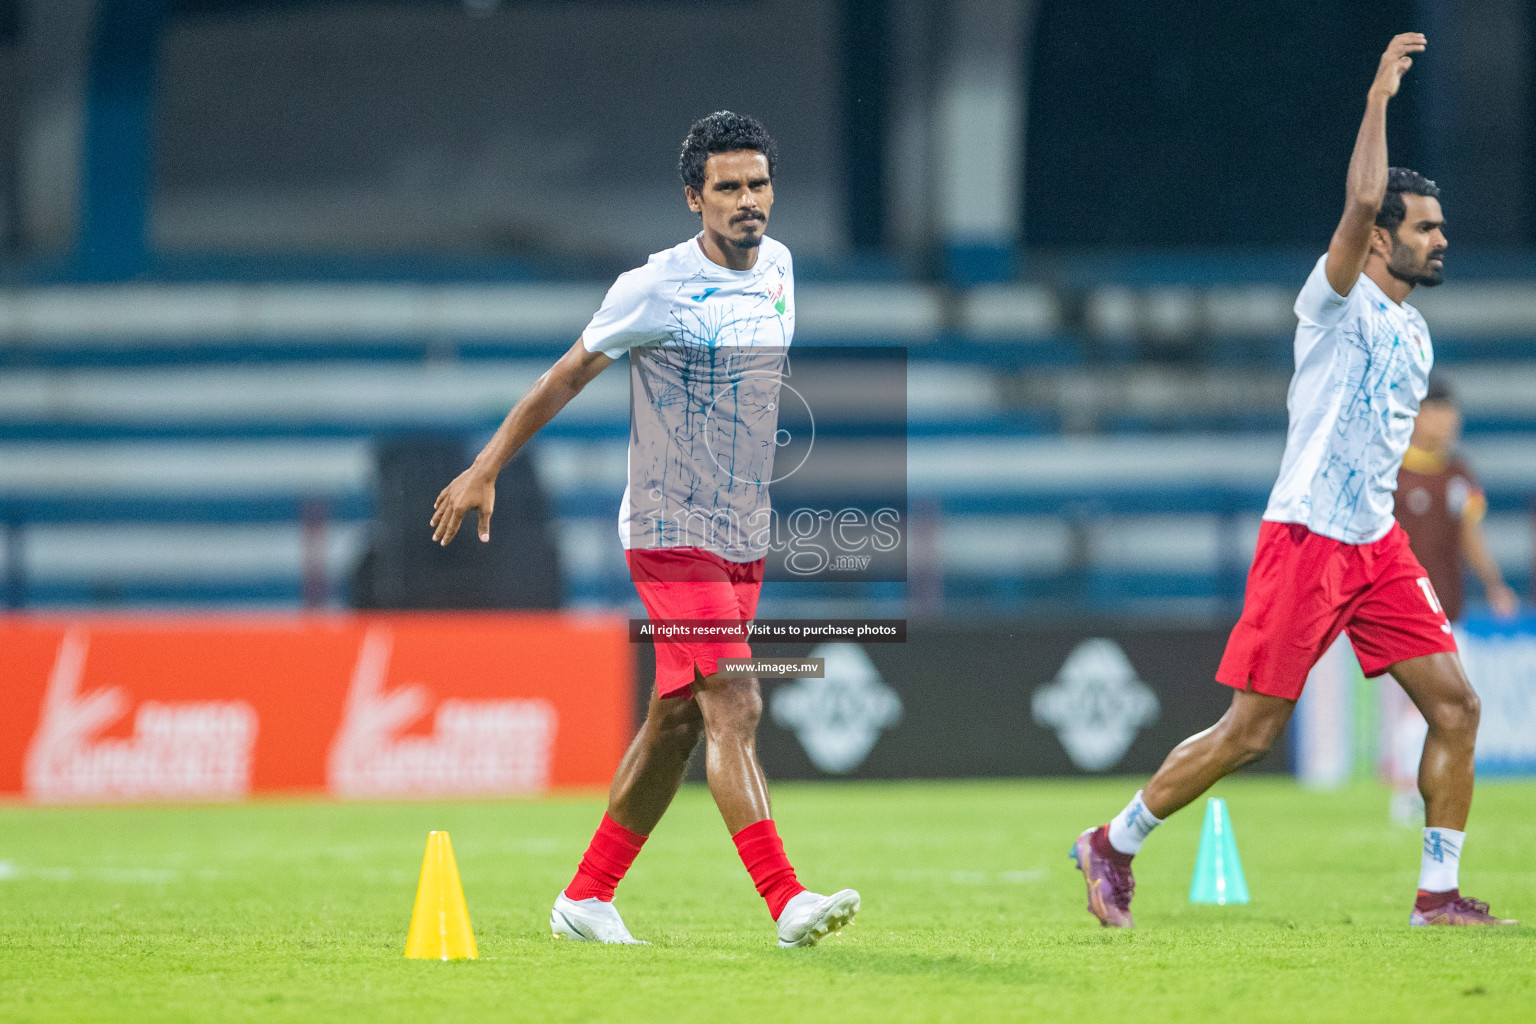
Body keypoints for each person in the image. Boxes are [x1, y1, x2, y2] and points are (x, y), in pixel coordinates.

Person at [1070, 34, 1515, 928]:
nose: (1440, 238)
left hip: (1372, 543)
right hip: (1307, 536)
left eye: (1438, 225)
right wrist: (1378, 98)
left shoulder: (1419, 338)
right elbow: (1358, 199)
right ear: (1381, 237)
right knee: (1252, 733)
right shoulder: (1335, 301)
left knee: (1458, 707)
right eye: (1424, 226)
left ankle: (1436, 895)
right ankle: (1113, 842)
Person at [430, 111, 859, 947]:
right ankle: (786, 901)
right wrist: (486, 467)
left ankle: (585, 898)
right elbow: (565, 376)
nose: (748, 201)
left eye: (759, 184)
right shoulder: (652, 287)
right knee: (734, 697)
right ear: (693, 196)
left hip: (741, 529)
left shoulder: (779, 268)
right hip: (670, 528)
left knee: (680, 718)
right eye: (728, 187)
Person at [1384, 373, 1519, 822]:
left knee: (1451, 706)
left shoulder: (1459, 473)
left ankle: (1424, 788)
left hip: (1450, 608)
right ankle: (1406, 790)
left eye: (1452, 410)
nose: (1448, 419)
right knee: (1423, 704)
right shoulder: (1390, 470)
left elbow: (1470, 537)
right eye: (1438, 410)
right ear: (1416, 415)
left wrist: (1495, 585)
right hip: (1401, 609)